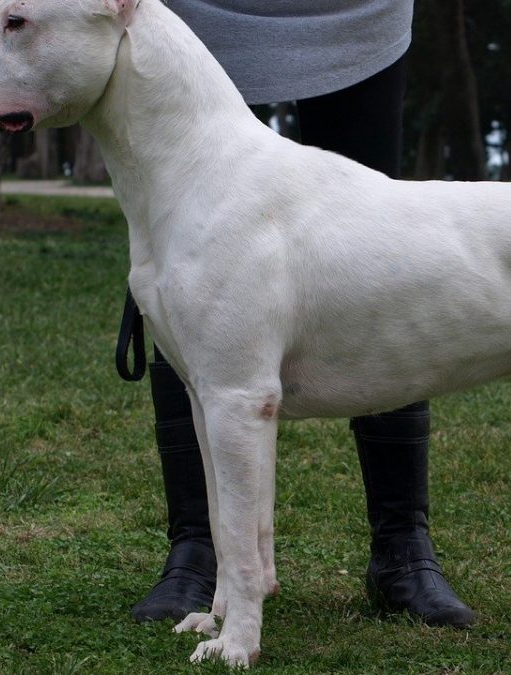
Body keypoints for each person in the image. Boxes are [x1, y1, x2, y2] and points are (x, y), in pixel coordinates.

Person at [124, 0, 475, 629]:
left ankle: (402, 548)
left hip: (357, 20)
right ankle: (199, 553)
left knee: (384, 268)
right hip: (205, 21)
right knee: (200, 282)